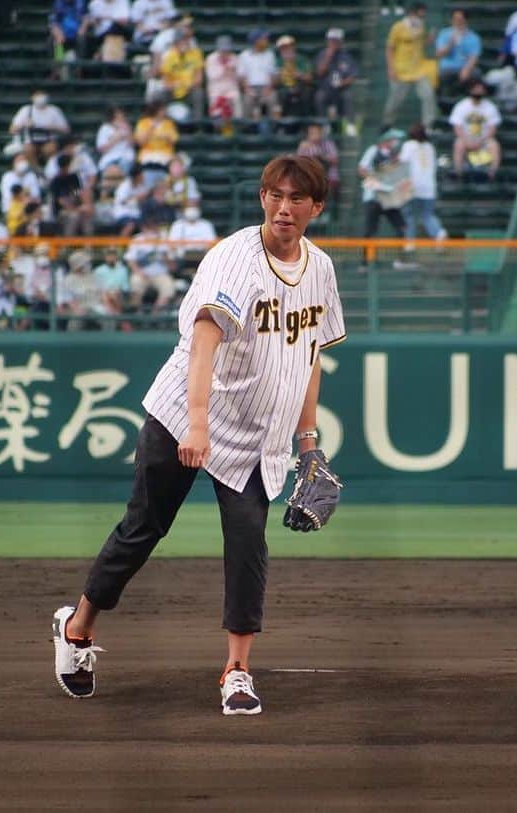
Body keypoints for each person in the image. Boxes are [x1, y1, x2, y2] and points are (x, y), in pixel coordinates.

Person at [52, 154, 345, 715]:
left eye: (296, 198)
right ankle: (78, 628)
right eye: (274, 195)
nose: (284, 207)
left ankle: (237, 671)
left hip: (257, 436)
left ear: (316, 207)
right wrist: (198, 424)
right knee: (144, 528)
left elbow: (311, 356)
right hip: (184, 415)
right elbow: (205, 341)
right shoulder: (235, 259)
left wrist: (309, 440)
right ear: (262, 199)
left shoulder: (321, 269)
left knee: (247, 543)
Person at [382, 3, 437, 128]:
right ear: (412, 13)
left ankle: (428, 126)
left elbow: (421, 44)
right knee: (395, 100)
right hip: (401, 70)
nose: (422, 17)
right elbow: (390, 48)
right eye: (420, 13)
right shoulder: (398, 27)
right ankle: (387, 124)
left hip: (419, 69)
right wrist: (390, 68)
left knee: (428, 95)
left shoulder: (421, 26)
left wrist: (430, 40)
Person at [358, 128, 408, 239]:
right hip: (373, 197)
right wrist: (376, 181)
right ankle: (367, 257)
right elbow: (362, 169)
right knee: (370, 230)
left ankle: (399, 256)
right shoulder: (373, 150)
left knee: (401, 226)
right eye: (392, 138)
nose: (395, 141)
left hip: (389, 197)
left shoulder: (394, 155)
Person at [399, 123, 445, 240]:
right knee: (427, 215)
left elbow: (402, 164)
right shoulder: (430, 147)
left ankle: (410, 242)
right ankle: (439, 233)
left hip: (413, 187)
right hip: (429, 187)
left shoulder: (408, 145)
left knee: (409, 215)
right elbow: (434, 167)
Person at [449, 80, 501, 180]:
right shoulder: (461, 106)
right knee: (458, 143)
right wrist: (467, 141)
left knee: (494, 145)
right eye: (475, 89)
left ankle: (492, 174)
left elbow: (492, 129)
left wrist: (480, 142)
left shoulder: (490, 107)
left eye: (480, 90)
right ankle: (459, 174)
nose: (478, 92)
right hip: (466, 139)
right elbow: (457, 128)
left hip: (484, 140)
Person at [313, 27, 357, 136]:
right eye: (331, 40)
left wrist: (342, 83)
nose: (334, 43)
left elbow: (352, 77)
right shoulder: (322, 55)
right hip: (326, 88)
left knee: (348, 96)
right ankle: (324, 125)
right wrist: (328, 56)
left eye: (336, 40)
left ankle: (350, 125)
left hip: (341, 89)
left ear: (341, 41)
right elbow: (319, 73)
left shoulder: (346, 57)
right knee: (319, 96)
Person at [124, 217, 175, 311]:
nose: (151, 229)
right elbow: (130, 260)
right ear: (143, 227)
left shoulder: (164, 239)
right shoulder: (137, 239)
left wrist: (166, 258)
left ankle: (155, 315)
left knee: (168, 288)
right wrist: (139, 272)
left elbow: (172, 266)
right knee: (135, 285)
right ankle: (137, 315)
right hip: (142, 273)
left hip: (160, 274)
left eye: (153, 226)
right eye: (148, 227)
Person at [9, 91, 70, 166]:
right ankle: (36, 172)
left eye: (42, 94)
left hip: (49, 139)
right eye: (37, 95)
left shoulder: (54, 110)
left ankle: (50, 170)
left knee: (49, 149)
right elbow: (12, 130)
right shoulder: (26, 110)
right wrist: (24, 124)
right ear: (32, 97)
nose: (40, 97)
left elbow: (66, 130)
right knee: (28, 149)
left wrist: (53, 127)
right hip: (31, 140)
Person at [435, 8, 481, 101]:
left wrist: (466, 69)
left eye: (460, 19)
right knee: (443, 75)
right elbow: (440, 54)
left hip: (466, 67)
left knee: (476, 74)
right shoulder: (444, 33)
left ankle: (468, 100)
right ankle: (447, 101)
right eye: (455, 19)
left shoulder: (473, 37)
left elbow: (474, 57)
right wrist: (450, 43)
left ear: (465, 20)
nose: (458, 22)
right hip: (448, 67)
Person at [159, 23, 204, 117]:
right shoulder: (169, 56)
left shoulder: (196, 53)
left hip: (190, 89)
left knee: (198, 94)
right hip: (173, 90)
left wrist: (189, 85)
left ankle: (197, 126)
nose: (185, 43)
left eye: (186, 40)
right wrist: (173, 85)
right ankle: (164, 123)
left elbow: (199, 78)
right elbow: (165, 80)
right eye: (182, 41)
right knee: (160, 95)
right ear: (176, 43)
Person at [238, 28, 279, 124]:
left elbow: (273, 75)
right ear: (256, 41)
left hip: (266, 87)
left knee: (273, 98)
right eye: (263, 39)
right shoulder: (244, 55)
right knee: (247, 100)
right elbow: (241, 77)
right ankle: (247, 129)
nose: (266, 41)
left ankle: (275, 128)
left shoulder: (270, 55)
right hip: (250, 88)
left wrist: (269, 88)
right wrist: (247, 89)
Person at [48, 152, 95, 236]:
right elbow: (61, 201)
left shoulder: (74, 177)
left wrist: (86, 205)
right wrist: (78, 209)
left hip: (76, 206)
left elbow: (77, 192)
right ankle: (68, 244)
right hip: (61, 211)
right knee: (74, 216)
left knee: (87, 215)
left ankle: (88, 244)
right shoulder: (56, 181)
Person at [296, 122, 340, 208]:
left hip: (328, 176)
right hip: (309, 178)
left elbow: (335, 160)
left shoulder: (328, 144)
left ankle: (326, 213)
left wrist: (321, 155)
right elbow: (298, 163)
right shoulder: (304, 145)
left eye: (316, 132)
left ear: (321, 133)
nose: (314, 135)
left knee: (328, 187)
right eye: (312, 133)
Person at [167, 203, 216, 277]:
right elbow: (172, 244)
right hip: (182, 256)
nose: (192, 211)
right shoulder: (177, 225)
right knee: (171, 256)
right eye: (189, 207)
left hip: (201, 256)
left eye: (194, 207)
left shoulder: (206, 225)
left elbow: (211, 243)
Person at [133, 101, 177, 180]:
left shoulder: (169, 123)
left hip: (165, 152)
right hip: (147, 153)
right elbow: (140, 142)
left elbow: (173, 141)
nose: (164, 112)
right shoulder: (143, 123)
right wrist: (150, 129)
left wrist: (165, 137)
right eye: (162, 110)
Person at [274, 35, 311, 120]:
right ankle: (280, 126)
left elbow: (309, 78)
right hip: (283, 88)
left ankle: (306, 123)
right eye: (283, 48)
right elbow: (274, 82)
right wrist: (282, 74)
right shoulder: (278, 61)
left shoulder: (302, 59)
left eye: (288, 46)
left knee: (306, 94)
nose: (287, 50)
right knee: (280, 95)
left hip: (301, 86)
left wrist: (298, 74)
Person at [206, 34, 241, 124]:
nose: (225, 52)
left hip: (231, 89)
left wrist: (232, 73)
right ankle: (217, 127)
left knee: (235, 99)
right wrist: (224, 71)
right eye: (223, 50)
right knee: (216, 103)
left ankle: (237, 126)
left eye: (227, 50)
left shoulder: (234, 58)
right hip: (216, 89)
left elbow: (238, 77)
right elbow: (211, 75)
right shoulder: (211, 58)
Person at [91, 245, 129, 321]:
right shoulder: (98, 270)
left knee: (113, 294)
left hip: (119, 295)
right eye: (109, 255)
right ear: (105, 257)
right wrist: (106, 292)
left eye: (113, 255)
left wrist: (118, 290)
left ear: (116, 257)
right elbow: (96, 287)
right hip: (103, 295)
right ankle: (119, 317)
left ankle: (115, 315)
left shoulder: (123, 269)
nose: (111, 257)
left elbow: (125, 287)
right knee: (106, 295)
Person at [112, 164, 147, 236]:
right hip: (123, 213)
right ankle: (120, 245)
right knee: (130, 225)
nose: (143, 177)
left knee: (147, 225)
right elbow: (122, 202)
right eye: (141, 175)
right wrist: (137, 198)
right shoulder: (125, 186)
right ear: (137, 176)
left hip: (136, 214)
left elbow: (143, 201)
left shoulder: (141, 186)